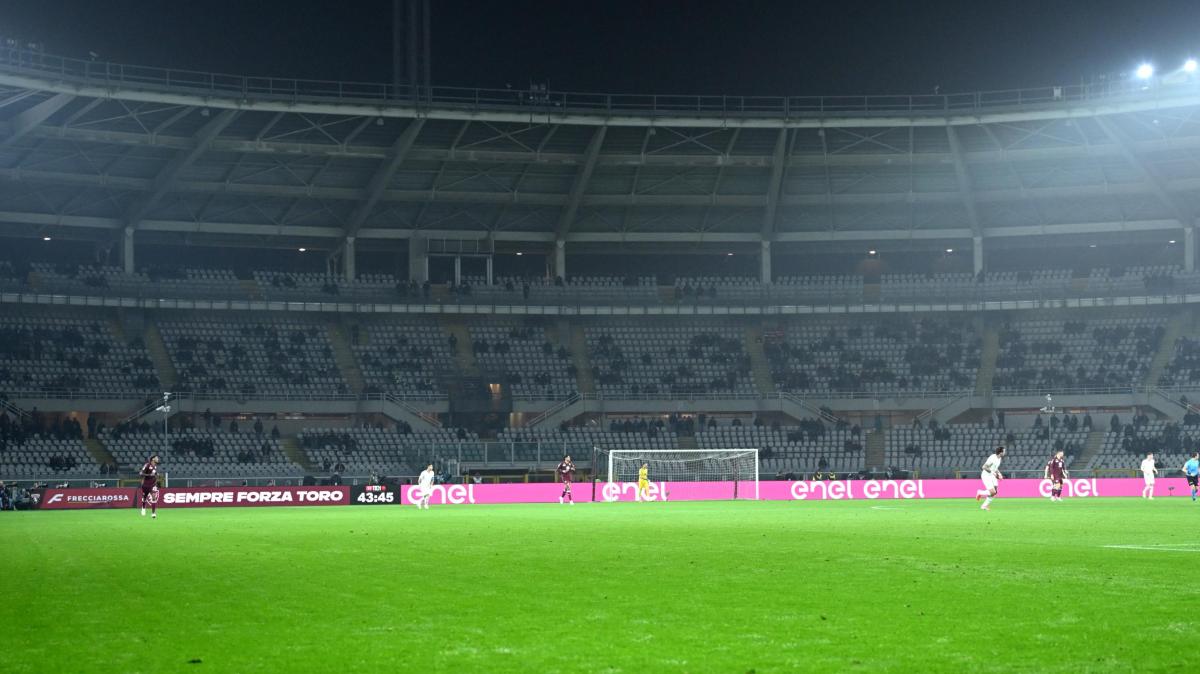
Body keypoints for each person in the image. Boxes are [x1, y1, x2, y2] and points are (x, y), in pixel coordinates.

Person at [975, 446, 1005, 511]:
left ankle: (984, 506)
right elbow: (984, 467)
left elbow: (995, 468)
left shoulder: (999, 458)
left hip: (992, 476)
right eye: (1004, 451)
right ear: (1000, 452)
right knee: (993, 492)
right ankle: (980, 492)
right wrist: (992, 472)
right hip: (986, 476)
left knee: (995, 492)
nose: (1005, 452)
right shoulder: (992, 458)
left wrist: (999, 474)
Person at [139, 454, 160, 519]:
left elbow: (154, 473)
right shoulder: (147, 465)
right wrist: (149, 475)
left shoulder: (155, 466)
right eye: (156, 458)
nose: (158, 459)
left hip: (152, 484)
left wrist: (156, 474)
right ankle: (143, 507)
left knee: (154, 497)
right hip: (146, 484)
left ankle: (153, 513)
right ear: (153, 459)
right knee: (144, 497)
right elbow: (141, 473)